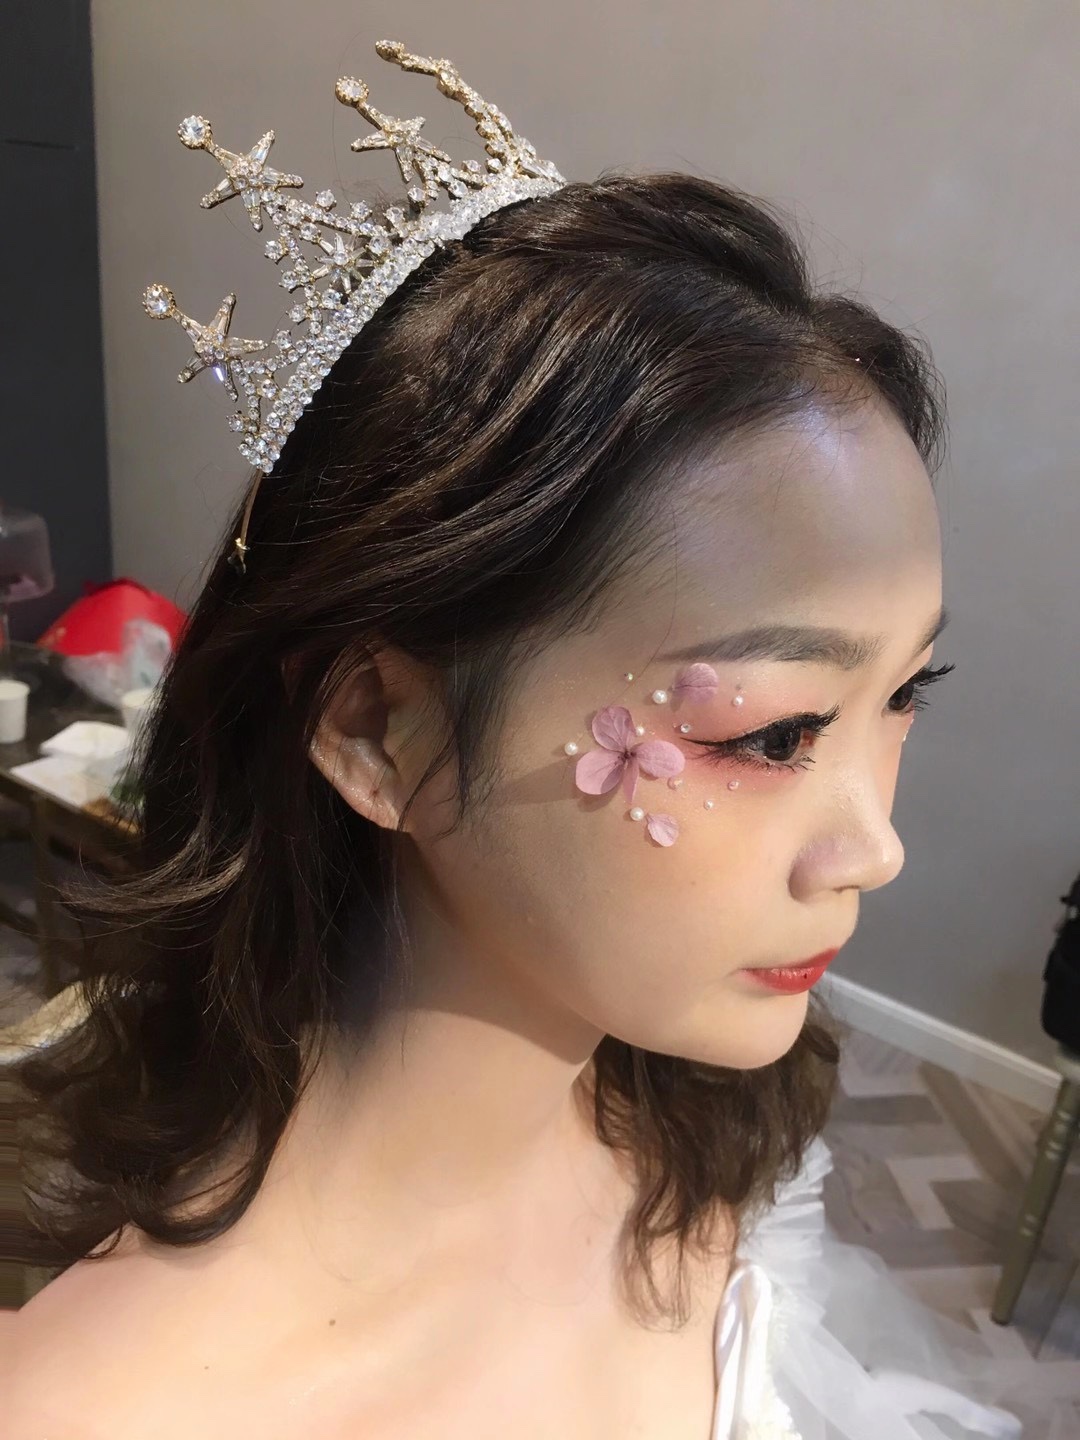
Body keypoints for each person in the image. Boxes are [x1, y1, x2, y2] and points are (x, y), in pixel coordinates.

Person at [7, 37, 1066, 1440]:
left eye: (907, 696)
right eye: (769, 734)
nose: (875, 847)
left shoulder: (691, 1119)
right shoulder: (106, 1411)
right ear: (379, 731)